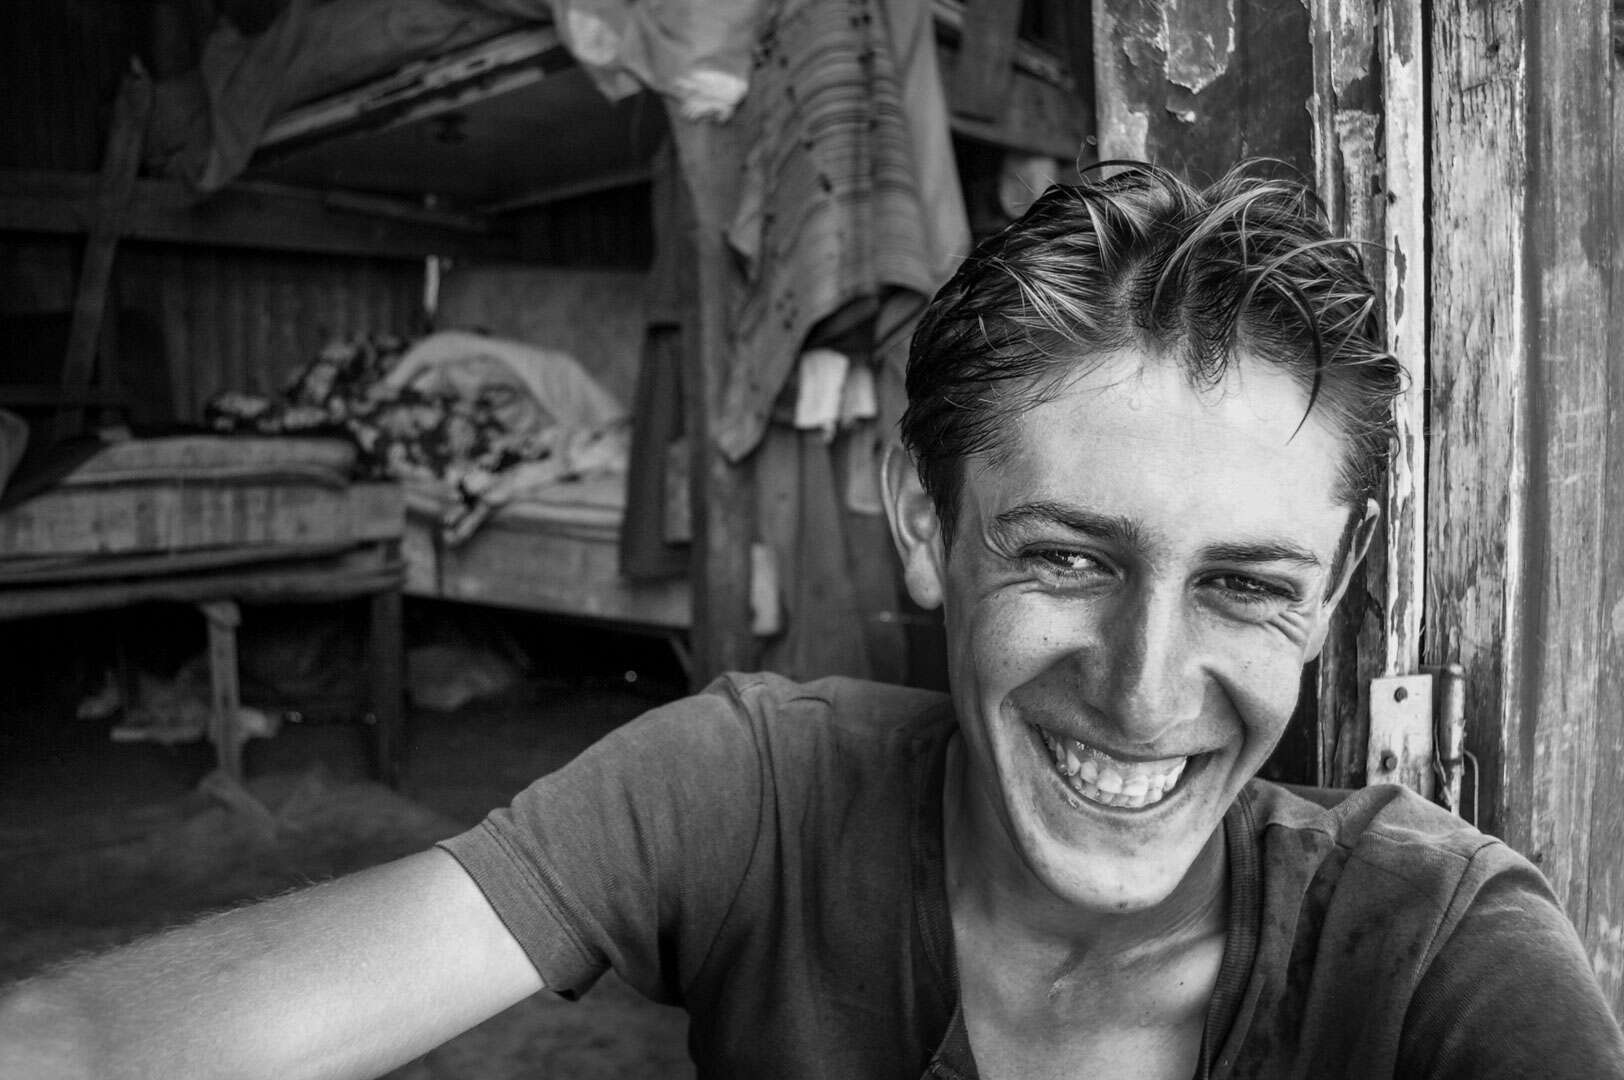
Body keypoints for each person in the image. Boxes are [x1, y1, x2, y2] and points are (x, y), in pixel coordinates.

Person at [3, 162, 1622, 1079]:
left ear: (1329, 598)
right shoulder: (749, 794)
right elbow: (88, 1037)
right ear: (923, 524)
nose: (1145, 691)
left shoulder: (1434, 956)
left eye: (1248, 586)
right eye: (1065, 558)